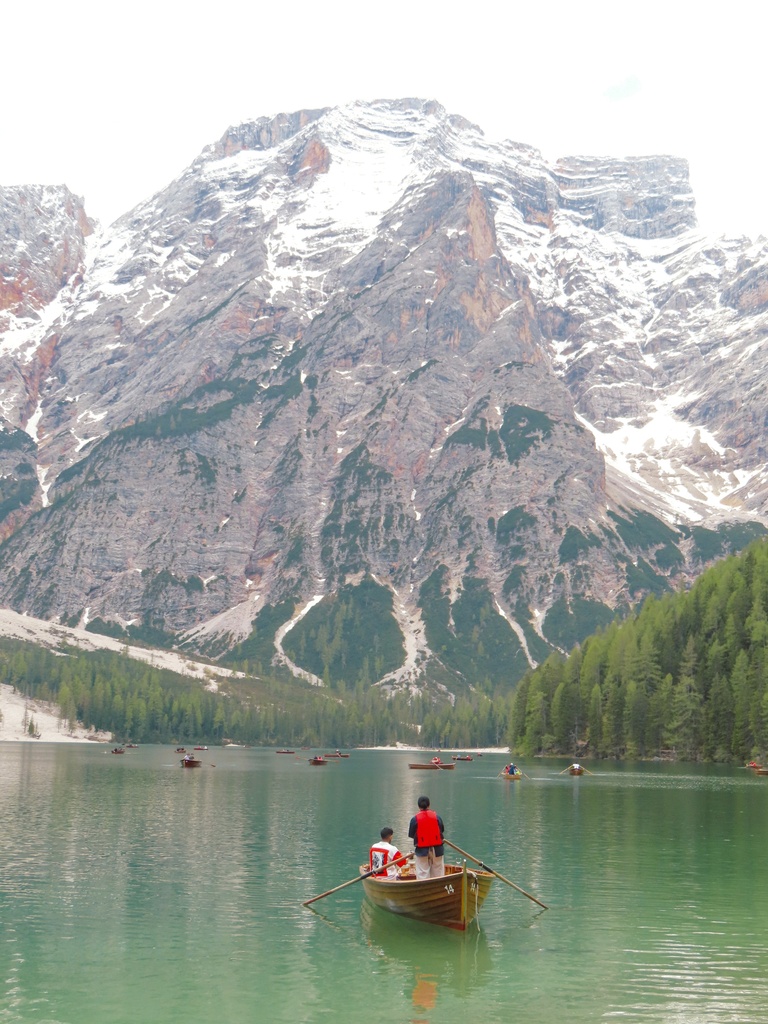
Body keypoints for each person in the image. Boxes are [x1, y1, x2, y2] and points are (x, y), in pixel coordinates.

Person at [408, 795, 445, 880]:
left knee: (422, 873)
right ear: (429, 805)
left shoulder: (415, 819)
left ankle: (424, 891)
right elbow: (441, 830)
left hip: (422, 850)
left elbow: (411, 834)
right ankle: (438, 890)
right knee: (438, 872)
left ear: (418, 806)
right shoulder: (437, 817)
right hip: (437, 849)